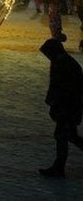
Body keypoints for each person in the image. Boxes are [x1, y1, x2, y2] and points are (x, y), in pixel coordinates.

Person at [39, 38, 83, 178]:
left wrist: (55, 102)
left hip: (68, 109)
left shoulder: (64, 65)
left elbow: (63, 88)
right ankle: (58, 167)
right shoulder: (63, 62)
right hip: (68, 108)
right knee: (69, 136)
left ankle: (58, 168)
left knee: (63, 136)